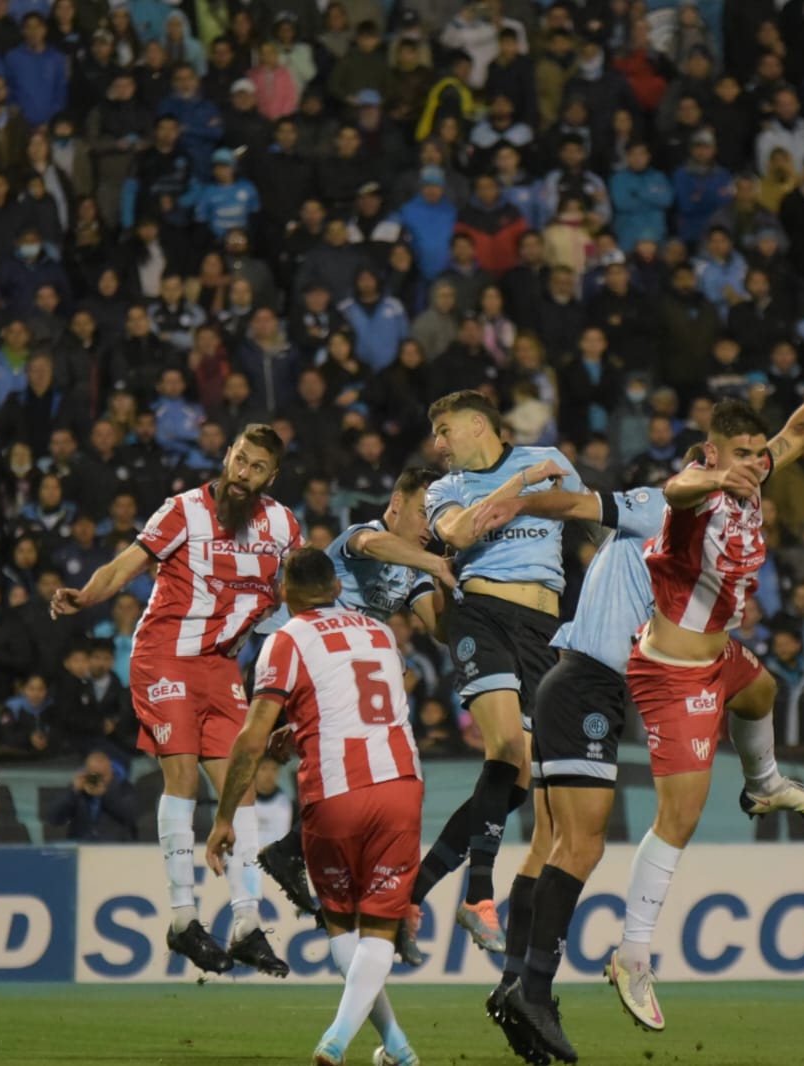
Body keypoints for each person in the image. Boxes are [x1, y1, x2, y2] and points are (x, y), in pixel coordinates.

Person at [605, 334, 804, 1032]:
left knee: (763, 691)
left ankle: (764, 782)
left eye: (756, 454)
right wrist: (716, 479)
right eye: (739, 454)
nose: (754, 463)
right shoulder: (697, 496)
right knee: (678, 819)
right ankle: (631, 954)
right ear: (710, 451)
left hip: (720, 659)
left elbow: (798, 431)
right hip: (672, 671)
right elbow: (673, 489)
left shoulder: (752, 471)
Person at [51, 424, 302, 976]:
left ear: (271, 477)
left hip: (221, 667)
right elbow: (127, 563)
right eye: (239, 460)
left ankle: (245, 922)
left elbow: (299, 594)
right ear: (228, 455)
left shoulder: (284, 526)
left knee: (241, 788)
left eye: (257, 468)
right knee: (182, 777)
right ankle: (184, 918)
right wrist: (88, 595)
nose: (243, 474)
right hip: (164, 655)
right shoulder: (182, 510)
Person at [460, 481, 668, 1062]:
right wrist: (525, 497)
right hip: (588, 688)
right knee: (582, 846)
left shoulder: (668, 545)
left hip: (572, 681)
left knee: (550, 843)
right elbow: (582, 502)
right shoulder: (662, 511)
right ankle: (536, 992)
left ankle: (512, 984)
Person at [206, 547, 422, 1066]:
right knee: (379, 930)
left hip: (335, 794)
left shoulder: (286, 639)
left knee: (342, 925)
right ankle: (397, 1048)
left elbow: (251, 738)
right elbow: (361, 701)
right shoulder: (380, 633)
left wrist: (224, 815)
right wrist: (300, 730)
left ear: (285, 591)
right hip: (400, 785)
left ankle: (335, 1041)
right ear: (335, 586)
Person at [405, 390, 577, 957]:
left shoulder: (552, 458)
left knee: (518, 783)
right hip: (483, 614)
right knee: (503, 747)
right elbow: (455, 536)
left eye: (445, 430)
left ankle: (416, 890)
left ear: (478, 424)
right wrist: (523, 485)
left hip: (542, 629)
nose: (439, 444)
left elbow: (597, 530)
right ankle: (480, 896)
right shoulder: (444, 489)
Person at [256, 467, 454, 923]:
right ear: (397, 503)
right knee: (367, 777)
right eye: (426, 512)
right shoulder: (364, 536)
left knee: (366, 779)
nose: (431, 526)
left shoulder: (414, 568)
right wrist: (436, 562)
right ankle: (333, 879)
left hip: (340, 683)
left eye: (438, 516)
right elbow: (373, 546)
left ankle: (303, 858)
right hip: (300, 653)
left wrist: (456, 586)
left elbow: (439, 631)